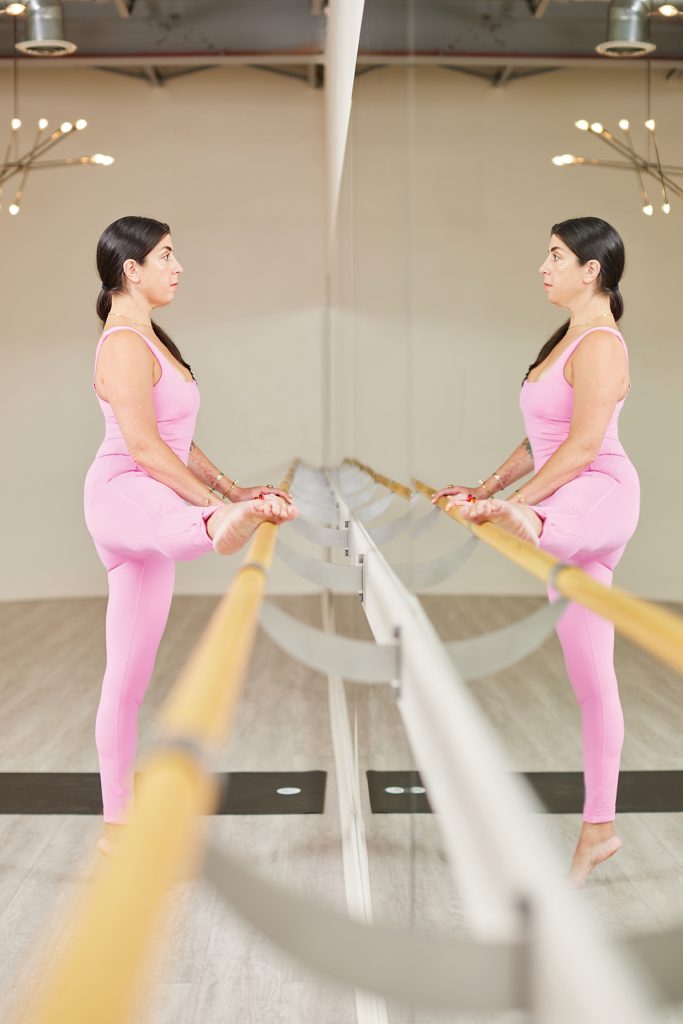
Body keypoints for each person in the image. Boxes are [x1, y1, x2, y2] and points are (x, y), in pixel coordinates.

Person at [433, 216, 639, 887]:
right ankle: (598, 828)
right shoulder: (564, 341)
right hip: (562, 499)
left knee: (545, 526)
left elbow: (580, 449)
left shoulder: (601, 344)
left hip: (598, 494)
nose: (542, 267)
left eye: (554, 256)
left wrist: (518, 509)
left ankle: (530, 523)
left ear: (592, 270)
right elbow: (539, 441)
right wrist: (489, 487)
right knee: (589, 681)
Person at [84, 216, 297, 857]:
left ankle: (115, 828)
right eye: (168, 257)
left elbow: (178, 440)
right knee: (176, 526)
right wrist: (215, 510)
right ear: (132, 269)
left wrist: (234, 492)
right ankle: (209, 528)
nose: (178, 268)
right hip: (124, 493)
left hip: (163, 504)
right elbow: (145, 449)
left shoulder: (157, 342)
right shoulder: (122, 342)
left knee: (129, 679)